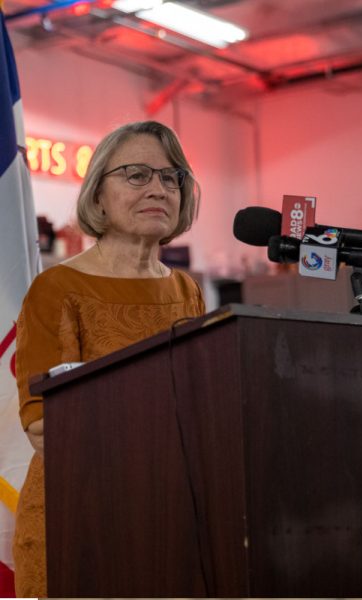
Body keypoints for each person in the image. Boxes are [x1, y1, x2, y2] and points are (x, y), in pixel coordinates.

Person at [13, 121, 205, 597]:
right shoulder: (57, 289)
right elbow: (45, 427)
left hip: (174, 520)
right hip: (80, 525)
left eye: (170, 176)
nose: (158, 188)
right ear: (97, 196)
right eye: (137, 175)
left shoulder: (186, 290)